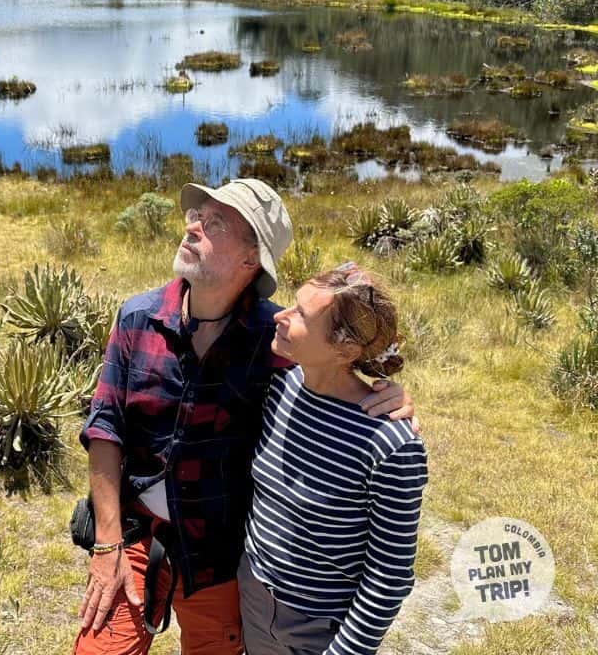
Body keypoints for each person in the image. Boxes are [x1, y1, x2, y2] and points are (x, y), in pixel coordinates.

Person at [73, 179, 418, 655]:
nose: (193, 227)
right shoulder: (137, 318)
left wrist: (388, 402)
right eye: (197, 216)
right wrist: (107, 546)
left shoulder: (279, 342)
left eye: (215, 223)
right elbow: (104, 428)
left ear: (249, 259)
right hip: (133, 537)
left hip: (220, 557)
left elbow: (339, 374)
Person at [238, 263, 428, 655]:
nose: (281, 316)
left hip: (320, 628)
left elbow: (389, 575)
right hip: (253, 600)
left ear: (346, 350)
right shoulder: (280, 387)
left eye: (301, 316)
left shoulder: (390, 443)